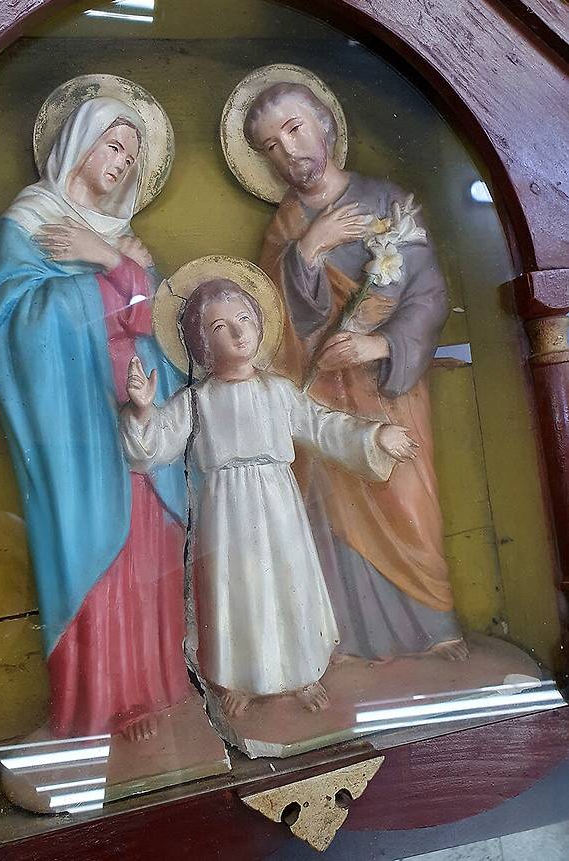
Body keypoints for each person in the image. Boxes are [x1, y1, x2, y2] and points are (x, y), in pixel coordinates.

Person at [0, 95, 190, 742]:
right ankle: (104, 703)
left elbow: (157, 321)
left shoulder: (118, 234)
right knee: (98, 551)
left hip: (138, 415)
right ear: (79, 141)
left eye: (132, 156)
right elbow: (14, 328)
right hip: (77, 426)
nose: (122, 163)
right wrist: (114, 273)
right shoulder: (28, 221)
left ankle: (158, 686)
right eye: (114, 146)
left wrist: (111, 259)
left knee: (150, 551)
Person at [242, 80, 469, 662]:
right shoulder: (285, 227)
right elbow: (271, 318)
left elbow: (429, 293)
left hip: (386, 385)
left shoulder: (386, 200)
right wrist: (308, 249)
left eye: (294, 129)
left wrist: (379, 345)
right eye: (270, 146)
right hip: (322, 392)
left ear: (325, 122)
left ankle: (433, 622)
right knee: (331, 508)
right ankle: (343, 635)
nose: (288, 152)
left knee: (406, 496)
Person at [119, 275, 416, 718]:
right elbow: (152, 447)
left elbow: (323, 426)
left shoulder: (278, 391)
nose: (238, 333)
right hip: (224, 510)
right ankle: (241, 678)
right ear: (201, 343)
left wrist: (376, 436)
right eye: (220, 327)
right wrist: (143, 410)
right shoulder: (196, 401)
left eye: (244, 319)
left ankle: (301, 673)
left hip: (279, 504)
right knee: (236, 589)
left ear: (259, 324)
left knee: (289, 581)